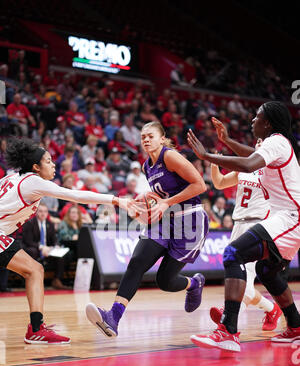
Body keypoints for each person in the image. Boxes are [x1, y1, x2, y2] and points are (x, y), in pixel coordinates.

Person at [187, 101, 300, 352]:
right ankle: (296, 326)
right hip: (285, 218)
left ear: (268, 123)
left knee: (233, 254)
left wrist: (207, 156)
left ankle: (228, 331)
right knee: (266, 271)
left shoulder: (277, 141)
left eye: (257, 117)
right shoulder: (276, 144)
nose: (252, 121)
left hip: (291, 217)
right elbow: (250, 157)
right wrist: (226, 140)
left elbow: (248, 164)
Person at [0, 137, 134, 344]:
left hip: (3, 234)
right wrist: (115, 200)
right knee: (35, 270)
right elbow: (75, 196)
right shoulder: (34, 182)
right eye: (48, 161)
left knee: (34, 270)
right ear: (35, 167)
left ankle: (36, 328)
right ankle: (36, 329)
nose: (53, 164)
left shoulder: (11, 178)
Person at [85, 121, 208, 339]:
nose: (146, 140)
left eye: (151, 136)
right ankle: (113, 317)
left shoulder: (170, 156)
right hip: (164, 221)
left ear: (162, 138)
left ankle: (194, 282)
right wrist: (141, 205)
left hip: (190, 221)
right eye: (143, 137)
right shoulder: (146, 166)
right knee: (137, 262)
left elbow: (200, 185)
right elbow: (158, 198)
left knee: (165, 281)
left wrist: (167, 203)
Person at [208, 117, 283, 331]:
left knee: (243, 280)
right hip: (238, 224)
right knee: (238, 278)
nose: (259, 144)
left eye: (262, 142)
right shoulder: (244, 168)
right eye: (257, 142)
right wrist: (215, 164)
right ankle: (271, 309)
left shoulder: (272, 170)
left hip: (258, 226)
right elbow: (219, 183)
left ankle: (229, 316)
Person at [21, 202, 70, 290]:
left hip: (47, 250)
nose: (43, 213)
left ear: (47, 213)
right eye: (40, 211)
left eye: (45, 211)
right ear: (36, 212)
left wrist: (56, 246)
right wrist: (42, 247)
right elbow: (28, 241)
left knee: (61, 255)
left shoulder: (50, 224)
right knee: (32, 251)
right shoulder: (30, 223)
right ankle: (33, 280)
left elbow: (54, 239)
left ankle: (57, 280)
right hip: (34, 248)